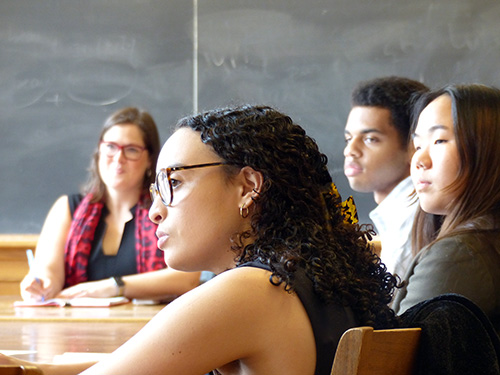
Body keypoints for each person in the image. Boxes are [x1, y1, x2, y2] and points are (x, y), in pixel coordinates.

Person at [3, 105, 399, 374]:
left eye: (173, 183)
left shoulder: (251, 291)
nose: (155, 210)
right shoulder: (304, 277)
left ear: (248, 186)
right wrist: (40, 368)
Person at [20, 107, 200, 302]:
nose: (118, 158)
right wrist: (40, 285)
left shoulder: (167, 209)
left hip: (152, 326)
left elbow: (186, 278)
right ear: (99, 151)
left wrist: (114, 286)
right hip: (76, 329)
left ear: (149, 159)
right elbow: (49, 273)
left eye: (131, 150)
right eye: (110, 147)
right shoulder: (67, 208)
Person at [392, 84, 500, 332]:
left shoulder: (460, 255)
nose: (419, 160)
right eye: (418, 145)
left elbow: (391, 362)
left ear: (488, 150)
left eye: (439, 140)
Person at [343, 76, 429, 278]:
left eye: (370, 139)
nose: (350, 150)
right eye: (348, 138)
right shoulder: (396, 215)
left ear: (413, 146)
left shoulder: (413, 222)